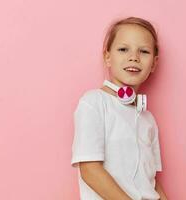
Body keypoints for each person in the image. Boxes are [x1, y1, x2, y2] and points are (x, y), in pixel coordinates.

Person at [71, 16, 168, 200]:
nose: (133, 57)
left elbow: (151, 181)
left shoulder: (147, 118)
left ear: (154, 63)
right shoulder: (93, 103)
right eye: (123, 49)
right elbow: (90, 169)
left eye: (144, 51)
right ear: (107, 57)